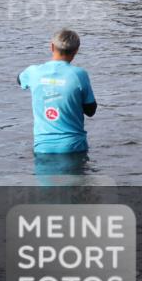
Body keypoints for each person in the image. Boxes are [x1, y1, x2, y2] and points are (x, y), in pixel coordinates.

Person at [18, 29, 97, 175]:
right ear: (76, 51)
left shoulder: (33, 72)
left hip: (43, 148)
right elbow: (91, 111)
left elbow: (19, 79)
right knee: (75, 193)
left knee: (47, 194)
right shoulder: (79, 74)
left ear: (52, 47)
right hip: (73, 147)